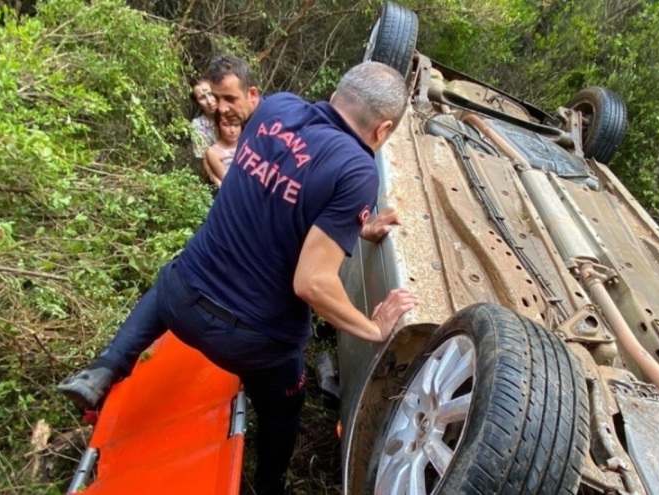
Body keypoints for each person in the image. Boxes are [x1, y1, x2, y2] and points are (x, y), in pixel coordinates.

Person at [57, 55, 417, 495]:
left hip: (179, 303)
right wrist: (372, 328)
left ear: (336, 95)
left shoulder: (275, 107)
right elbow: (312, 283)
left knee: (174, 273)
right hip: (255, 342)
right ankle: (269, 486)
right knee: (284, 408)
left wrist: (355, 227)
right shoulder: (357, 169)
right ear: (382, 129)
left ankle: (106, 366)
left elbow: (277, 193)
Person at [203, 112, 241, 187]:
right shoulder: (214, 152)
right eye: (226, 125)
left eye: (236, 125)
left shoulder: (247, 144)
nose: (232, 130)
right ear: (218, 126)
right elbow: (228, 182)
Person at [190, 78, 218, 159]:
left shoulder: (230, 113)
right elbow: (203, 158)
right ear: (197, 103)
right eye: (202, 98)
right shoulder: (197, 125)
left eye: (210, 94)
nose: (209, 101)